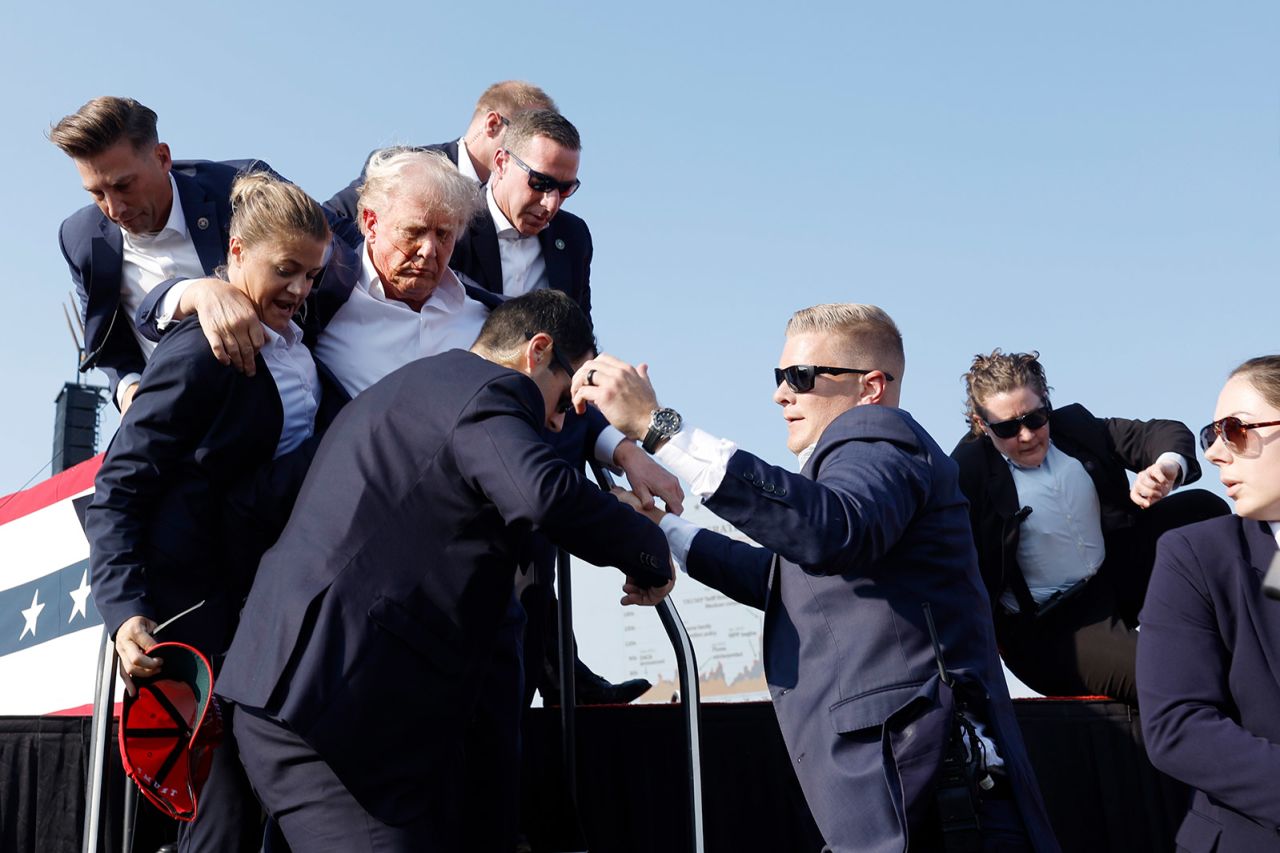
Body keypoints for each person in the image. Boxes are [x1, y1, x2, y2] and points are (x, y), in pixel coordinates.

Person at [575, 304, 1059, 852]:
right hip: (906, 806)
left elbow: (831, 531)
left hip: (939, 805)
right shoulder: (856, 479)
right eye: (778, 377)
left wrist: (660, 429)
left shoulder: (880, 436)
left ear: (870, 387)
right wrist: (667, 532)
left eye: (801, 377)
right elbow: (788, 580)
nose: (782, 394)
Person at [215, 290, 674, 852]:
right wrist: (647, 550)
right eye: (566, 395)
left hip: (314, 696)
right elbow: (543, 496)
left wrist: (605, 508)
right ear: (537, 351)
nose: (560, 423)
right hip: (332, 708)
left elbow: (502, 498)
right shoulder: (489, 393)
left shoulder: (419, 389)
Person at [85, 174, 332, 852]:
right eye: (286, 270)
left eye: (312, 275)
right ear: (236, 250)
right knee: (219, 817)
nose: (301, 290)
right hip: (192, 616)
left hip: (259, 609)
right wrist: (125, 609)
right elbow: (120, 485)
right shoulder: (202, 350)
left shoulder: (296, 340)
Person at [951, 350, 1228, 705]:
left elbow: (1161, 434)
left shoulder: (1075, 427)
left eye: (1035, 419)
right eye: (1006, 428)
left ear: (1047, 404)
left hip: (1110, 580)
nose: (1025, 436)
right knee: (1176, 675)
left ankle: (1242, 618)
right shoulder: (965, 472)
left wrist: (1166, 469)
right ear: (981, 424)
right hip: (1051, 630)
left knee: (1203, 510)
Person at [50, 96, 275, 412]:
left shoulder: (242, 189)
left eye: (124, 186)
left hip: (279, 398)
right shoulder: (80, 238)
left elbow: (326, 243)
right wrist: (129, 390)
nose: (114, 209)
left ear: (162, 157)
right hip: (181, 428)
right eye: (97, 194)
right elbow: (108, 345)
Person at [1138, 355, 1280, 852]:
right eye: (1211, 434)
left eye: (1235, 430)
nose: (1218, 453)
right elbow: (1177, 726)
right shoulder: (1195, 555)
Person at [325, 79, 555, 219]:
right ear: (493, 124)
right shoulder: (402, 166)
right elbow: (331, 222)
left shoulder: (528, 212)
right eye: (525, 135)